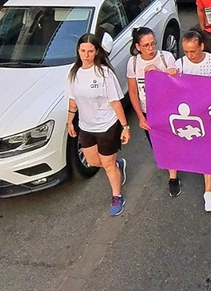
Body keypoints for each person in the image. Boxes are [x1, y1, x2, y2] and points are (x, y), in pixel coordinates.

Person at [67, 33, 129, 216]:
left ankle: (117, 196)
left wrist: (125, 126)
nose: (86, 55)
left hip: (107, 126)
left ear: (96, 52)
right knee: (94, 161)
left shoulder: (104, 73)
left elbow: (115, 102)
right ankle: (117, 165)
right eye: (83, 50)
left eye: (90, 51)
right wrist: (70, 121)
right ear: (78, 51)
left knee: (107, 164)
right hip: (86, 126)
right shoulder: (73, 73)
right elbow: (72, 100)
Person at [126, 27, 180, 196]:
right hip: (147, 110)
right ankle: (169, 163)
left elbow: (176, 86)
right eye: (146, 45)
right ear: (138, 46)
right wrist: (140, 117)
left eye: (153, 44)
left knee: (170, 141)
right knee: (157, 144)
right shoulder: (133, 63)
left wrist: (160, 73)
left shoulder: (166, 58)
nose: (151, 49)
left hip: (167, 109)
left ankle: (173, 177)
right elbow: (133, 92)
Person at [174, 30, 211, 212]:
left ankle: (208, 191)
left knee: (208, 148)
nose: (190, 55)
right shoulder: (180, 64)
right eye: (186, 51)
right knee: (202, 149)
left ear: (202, 46)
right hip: (191, 115)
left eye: (193, 51)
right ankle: (208, 185)